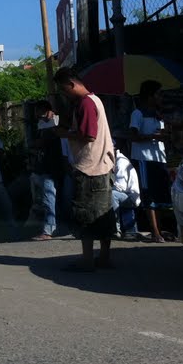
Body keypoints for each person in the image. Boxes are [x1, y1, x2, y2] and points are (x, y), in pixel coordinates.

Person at [53, 67, 117, 271]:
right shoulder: (94, 100)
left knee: (85, 215)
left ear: (71, 84)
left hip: (90, 167)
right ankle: (104, 258)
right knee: (103, 215)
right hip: (102, 165)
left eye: (64, 90)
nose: (64, 94)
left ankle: (88, 260)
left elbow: (88, 135)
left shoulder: (86, 103)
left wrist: (64, 134)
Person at [129, 80, 173, 243]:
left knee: (161, 194)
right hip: (144, 160)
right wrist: (153, 137)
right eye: (158, 94)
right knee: (149, 195)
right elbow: (133, 136)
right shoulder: (138, 114)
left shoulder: (157, 114)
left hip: (159, 158)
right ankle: (155, 232)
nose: (161, 97)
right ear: (150, 96)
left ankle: (160, 229)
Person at [25, 100, 63, 240]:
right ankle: (51, 226)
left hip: (54, 165)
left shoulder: (57, 121)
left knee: (49, 197)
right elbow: (36, 143)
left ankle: (49, 229)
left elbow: (45, 142)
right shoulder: (41, 124)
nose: (37, 116)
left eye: (39, 112)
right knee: (46, 198)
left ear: (47, 110)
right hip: (43, 165)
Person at [111, 148, 141, 238]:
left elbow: (120, 187)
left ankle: (116, 230)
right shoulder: (115, 160)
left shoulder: (121, 162)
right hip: (124, 195)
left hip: (130, 197)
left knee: (112, 195)